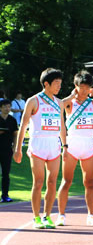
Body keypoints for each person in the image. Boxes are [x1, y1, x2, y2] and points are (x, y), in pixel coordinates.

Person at [56, 70, 93, 226]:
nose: (85, 90)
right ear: (76, 86)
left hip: (88, 146)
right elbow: (59, 104)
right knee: (66, 181)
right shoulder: (69, 103)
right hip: (72, 146)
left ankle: (91, 215)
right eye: (82, 87)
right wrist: (72, 95)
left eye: (88, 87)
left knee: (90, 182)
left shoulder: (91, 102)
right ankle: (61, 215)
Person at [15, 68, 66, 229]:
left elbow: (62, 126)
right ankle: (36, 217)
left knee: (52, 182)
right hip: (37, 145)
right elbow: (23, 125)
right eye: (56, 83)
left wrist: (65, 145)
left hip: (54, 145)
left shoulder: (59, 103)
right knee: (38, 182)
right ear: (46, 83)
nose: (59, 86)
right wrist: (18, 149)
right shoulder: (33, 100)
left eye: (60, 83)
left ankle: (47, 216)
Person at [0, 99, 19, 202]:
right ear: (1, 108)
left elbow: (15, 134)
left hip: (7, 149)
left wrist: (15, 147)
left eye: (9, 106)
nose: (7, 108)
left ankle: (5, 195)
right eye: (5, 106)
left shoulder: (12, 120)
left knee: (6, 174)